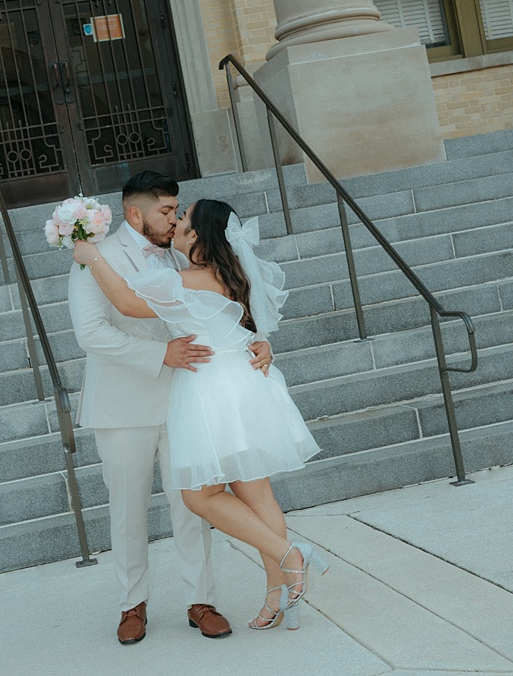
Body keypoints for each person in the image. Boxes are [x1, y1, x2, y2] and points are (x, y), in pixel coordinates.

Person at [73, 197, 328, 633]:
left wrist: (91, 255)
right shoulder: (234, 273)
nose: (175, 223)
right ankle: (279, 596)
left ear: (197, 235)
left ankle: (291, 556)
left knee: (198, 496)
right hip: (245, 383)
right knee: (257, 495)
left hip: (212, 391)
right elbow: (251, 325)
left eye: (184, 219)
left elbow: (128, 302)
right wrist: (264, 343)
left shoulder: (186, 279)